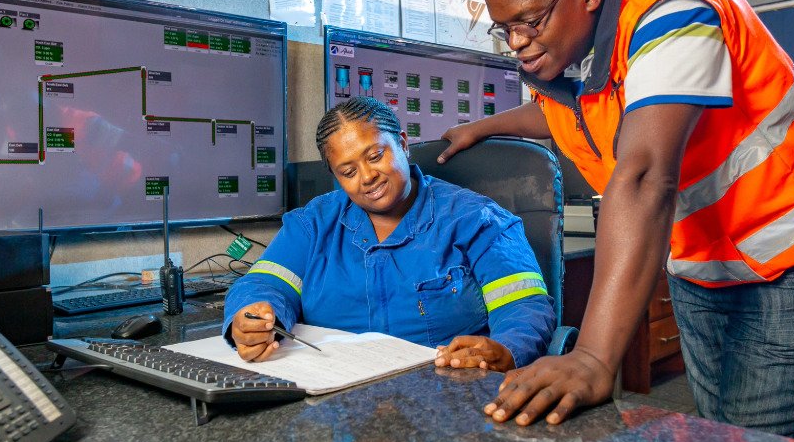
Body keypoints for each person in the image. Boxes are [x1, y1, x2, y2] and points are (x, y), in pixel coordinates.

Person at [437, 0, 794, 441]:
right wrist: (481, 127)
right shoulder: (577, 57)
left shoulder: (673, 10)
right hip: (703, 252)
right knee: (721, 431)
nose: (516, 43)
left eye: (529, 22)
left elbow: (645, 175)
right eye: (503, 28)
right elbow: (569, 115)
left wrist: (594, 356)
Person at [222, 97, 557, 371]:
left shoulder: (477, 220)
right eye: (348, 171)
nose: (367, 177)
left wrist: (507, 350)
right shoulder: (313, 224)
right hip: (335, 399)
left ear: (402, 143)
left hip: (446, 399)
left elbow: (524, 307)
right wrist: (251, 317)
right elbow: (262, 284)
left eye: (376, 156)